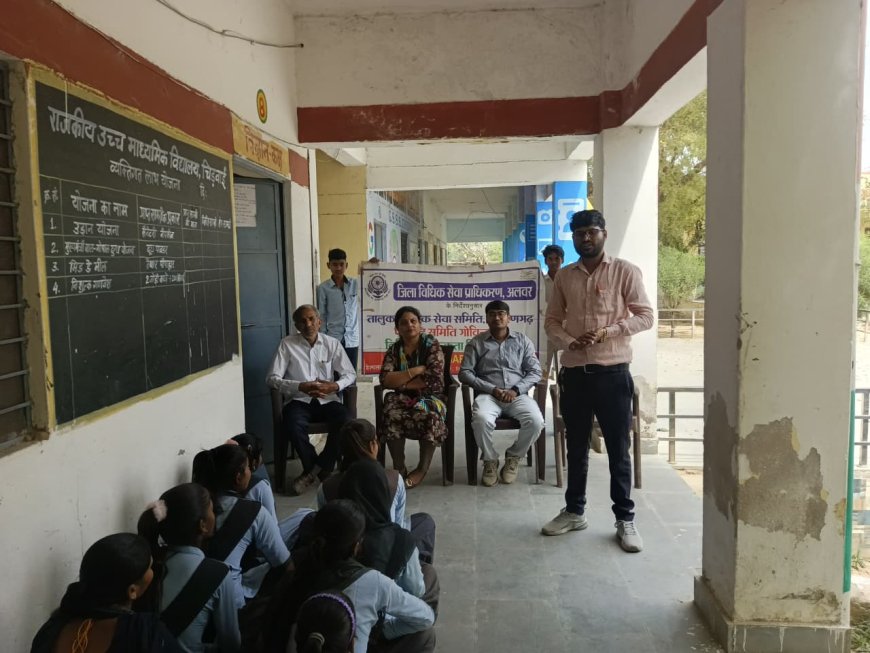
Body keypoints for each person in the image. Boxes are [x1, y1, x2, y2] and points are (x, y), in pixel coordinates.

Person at [540, 209, 654, 553]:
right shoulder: (564, 278)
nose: (585, 238)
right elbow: (552, 321)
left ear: (603, 233)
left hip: (613, 373)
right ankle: (574, 511)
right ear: (572, 238)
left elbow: (646, 316)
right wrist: (566, 341)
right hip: (574, 374)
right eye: (578, 234)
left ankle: (625, 518)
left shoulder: (625, 271)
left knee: (619, 450)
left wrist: (611, 331)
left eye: (591, 232)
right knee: (575, 448)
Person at [265, 500, 435, 653]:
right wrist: (381, 630)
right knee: (425, 634)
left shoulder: (294, 570)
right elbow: (425, 617)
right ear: (356, 547)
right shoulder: (373, 582)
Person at [31, 533, 183, 653]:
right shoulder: (144, 632)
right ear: (132, 590)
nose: (153, 571)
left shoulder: (51, 630)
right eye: (149, 567)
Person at [137, 483, 241, 652]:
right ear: (202, 525)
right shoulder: (219, 573)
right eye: (212, 510)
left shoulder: (147, 566)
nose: (215, 515)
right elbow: (231, 644)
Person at [266, 304, 356, 496]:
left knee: (346, 421)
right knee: (292, 423)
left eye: (311, 319)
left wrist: (335, 386)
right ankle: (322, 470)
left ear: (319, 322)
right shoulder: (287, 344)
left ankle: (313, 471)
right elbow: (272, 378)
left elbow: (350, 374)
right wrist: (300, 386)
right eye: (302, 321)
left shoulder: (332, 343)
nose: (308, 324)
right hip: (299, 400)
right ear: (296, 325)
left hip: (328, 399)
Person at [192, 444, 293, 606]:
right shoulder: (253, 511)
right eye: (247, 468)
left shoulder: (195, 506)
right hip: (233, 606)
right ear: (238, 477)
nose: (250, 472)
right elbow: (285, 565)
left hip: (195, 599)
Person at [458, 300, 544, 487]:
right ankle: (490, 460)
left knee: (536, 421)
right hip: (489, 395)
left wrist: (515, 390)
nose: (497, 317)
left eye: (501, 313)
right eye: (492, 314)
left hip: (517, 395)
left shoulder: (522, 341)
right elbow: (464, 373)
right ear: (487, 319)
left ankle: (514, 456)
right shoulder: (477, 343)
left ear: (509, 318)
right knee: (480, 419)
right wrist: (492, 389)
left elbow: (535, 372)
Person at [377, 306, 447, 489]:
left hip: (429, 396)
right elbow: (385, 379)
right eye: (404, 322)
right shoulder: (394, 350)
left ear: (420, 325)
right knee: (391, 413)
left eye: (413, 321)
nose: (409, 325)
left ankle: (422, 469)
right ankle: (399, 467)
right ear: (397, 329)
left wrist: (400, 381)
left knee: (429, 415)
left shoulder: (431, 344)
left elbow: (433, 378)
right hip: (400, 397)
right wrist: (414, 371)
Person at [316, 248, 361, 370]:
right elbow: (322, 315)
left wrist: (373, 265)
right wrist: (323, 339)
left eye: (341, 264)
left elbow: (371, 280)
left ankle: (351, 390)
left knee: (351, 373)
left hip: (352, 338)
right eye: (334, 264)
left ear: (346, 265)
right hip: (333, 339)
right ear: (328, 265)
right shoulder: (323, 288)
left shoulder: (356, 284)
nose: (338, 268)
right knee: (335, 374)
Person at [540, 244, 565, 377]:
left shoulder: (569, 282)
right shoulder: (541, 283)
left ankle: (564, 398)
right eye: (550, 259)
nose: (554, 262)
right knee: (542, 376)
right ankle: (539, 399)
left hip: (565, 333)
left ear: (563, 260)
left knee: (565, 374)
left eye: (557, 259)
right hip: (545, 334)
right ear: (546, 261)